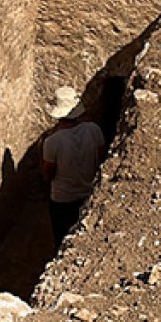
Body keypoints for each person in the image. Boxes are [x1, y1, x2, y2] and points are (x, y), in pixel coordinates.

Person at [41, 86, 105, 248]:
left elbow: (48, 174)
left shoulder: (52, 142)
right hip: (89, 193)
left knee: (62, 238)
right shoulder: (94, 130)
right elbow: (103, 158)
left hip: (63, 198)